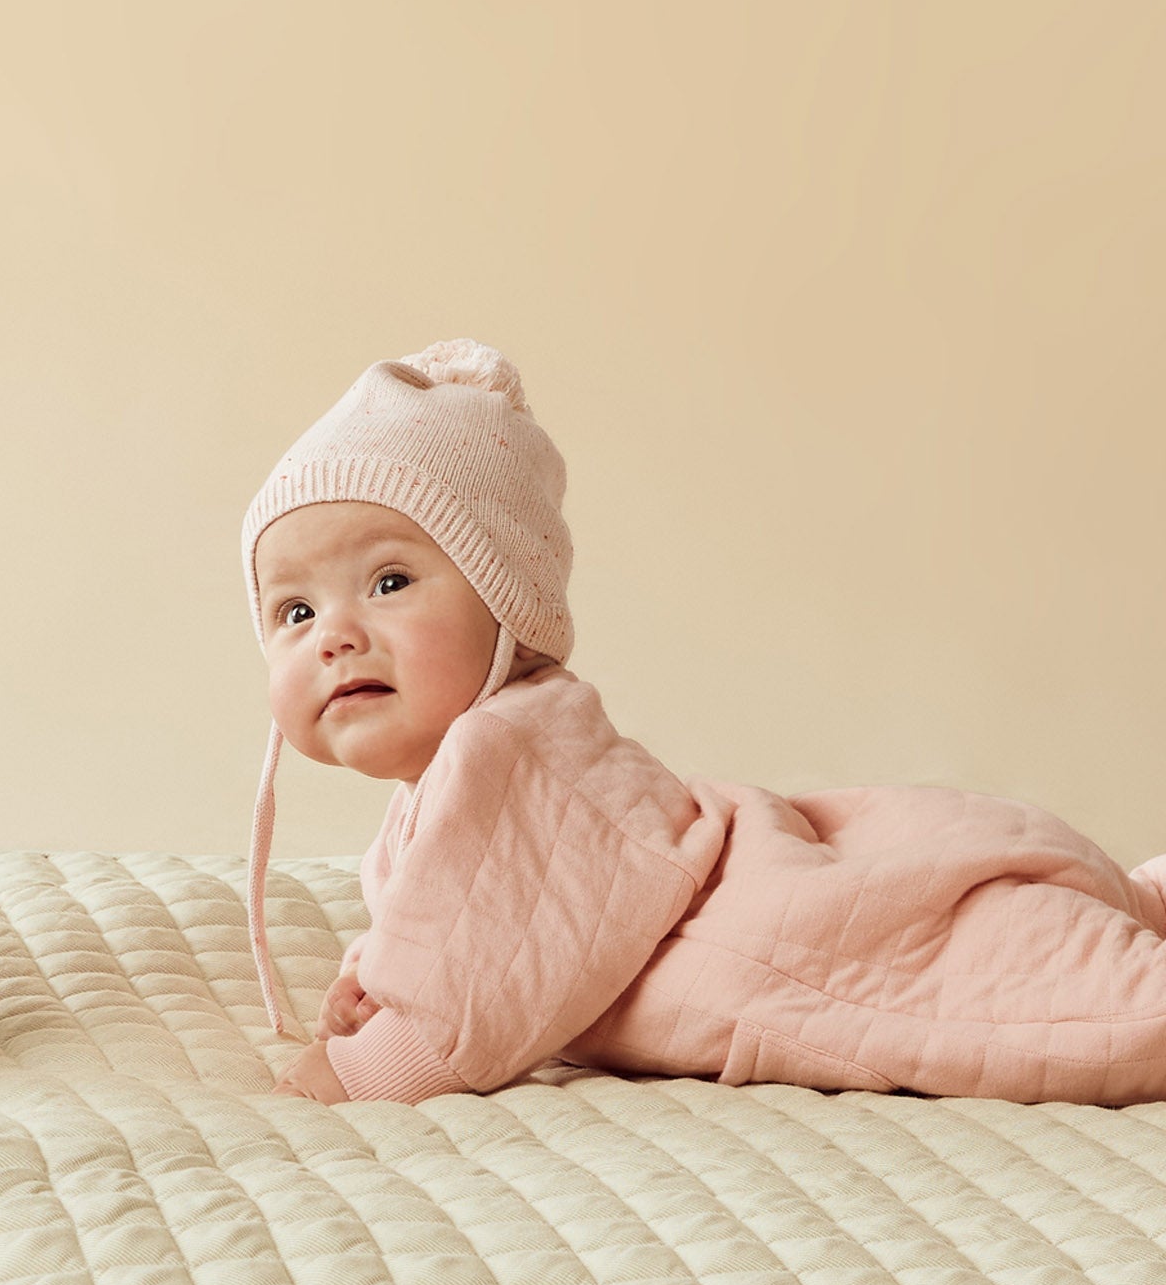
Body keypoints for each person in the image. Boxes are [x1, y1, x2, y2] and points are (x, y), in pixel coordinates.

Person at [245, 339, 1166, 1108]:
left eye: (390, 582)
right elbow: (463, 917)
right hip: (864, 872)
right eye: (295, 611)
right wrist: (375, 973)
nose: (334, 635)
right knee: (1111, 923)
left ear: (509, 602)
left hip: (838, 938)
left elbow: (479, 981)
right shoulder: (451, 784)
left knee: (1109, 1024)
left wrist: (367, 1069)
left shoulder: (512, 744)